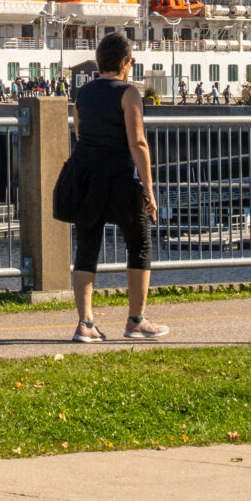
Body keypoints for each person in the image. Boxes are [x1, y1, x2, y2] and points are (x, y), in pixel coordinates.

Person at [51, 32, 168, 342]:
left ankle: (85, 324)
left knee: (87, 247)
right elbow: (138, 142)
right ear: (125, 62)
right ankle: (136, 321)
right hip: (119, 177)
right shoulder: (129, 93)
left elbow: (79, 132)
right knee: (139, 244)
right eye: (131, 62)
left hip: (86, 176)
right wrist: (149, 188)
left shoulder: (84, 93)